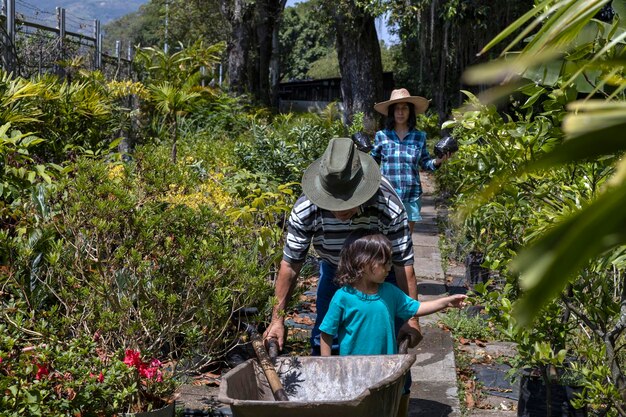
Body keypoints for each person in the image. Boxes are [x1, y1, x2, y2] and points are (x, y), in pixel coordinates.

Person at [263, 137, 422, 356]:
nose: (340, 211)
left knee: (389, 342)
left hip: (382, 273)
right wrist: (277, 320)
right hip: (334, 268)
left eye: (347, 201)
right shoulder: (306, 209)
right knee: (326, 338)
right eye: (332, 202)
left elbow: (403, 265)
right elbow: (290, 265)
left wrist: (411, 319)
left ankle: (397, 390)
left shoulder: (388, 205)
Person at [319, 231, 466, 417]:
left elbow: (417, 308)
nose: (389, 267)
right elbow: (326, 332)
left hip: (386, 370)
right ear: (363, 263)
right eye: (384, 262)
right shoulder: (343, 297)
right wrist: (327, 364)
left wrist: (446, 302)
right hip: (353, 372)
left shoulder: (390, 292)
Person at [371, 88, 450, 235]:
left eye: (404, 108)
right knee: (384, 241)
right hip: (386, 195)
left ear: (410, 111)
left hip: (411, 195)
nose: (400, 112)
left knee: (405, 240)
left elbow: (425, 163)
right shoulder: (381, 136)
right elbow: (372, 162)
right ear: (392, 112)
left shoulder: (419, 137)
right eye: (397, 109)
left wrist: (438, 161)